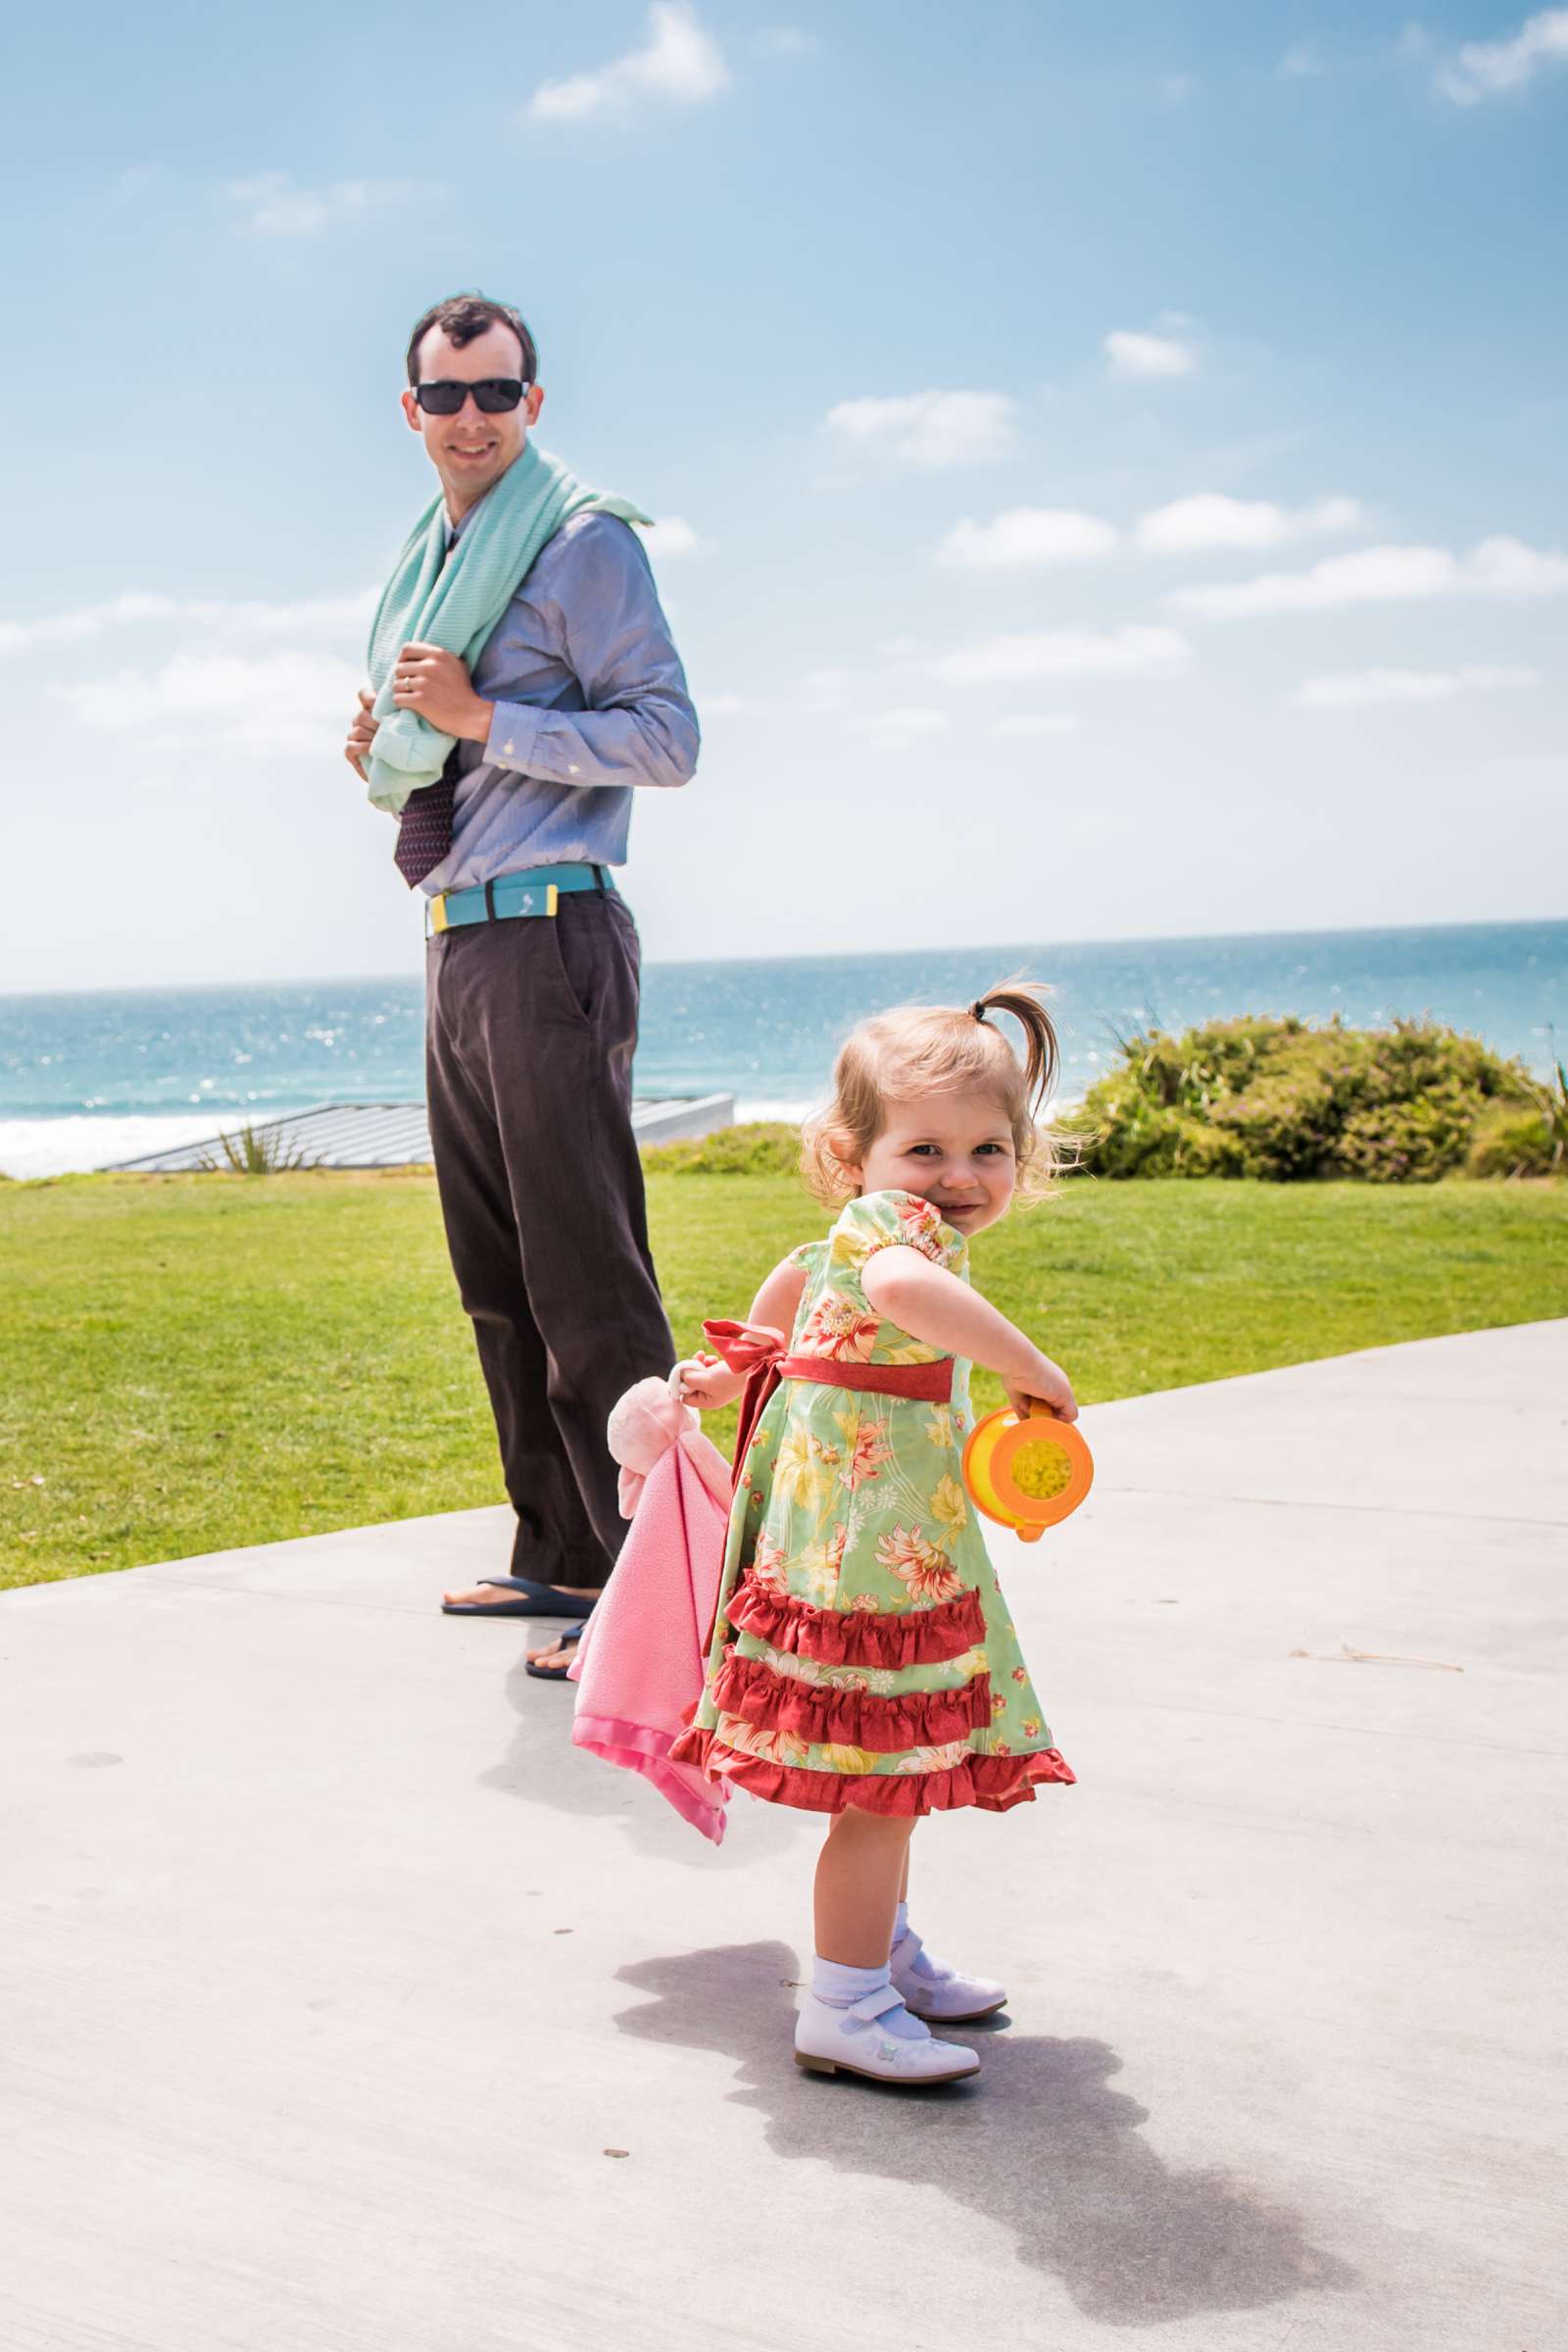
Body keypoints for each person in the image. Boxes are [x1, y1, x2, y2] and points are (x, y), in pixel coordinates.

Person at [345, 292, 698, 1677]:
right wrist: (403, 745)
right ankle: (559, 1556)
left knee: (588, 1277)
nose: (473, 418)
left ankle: (655, 1594)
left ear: (533, 405)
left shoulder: (580, 543)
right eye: (448, 397)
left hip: (551, 931)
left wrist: (482, 717)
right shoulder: (434, 567)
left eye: (498, 393)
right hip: (460, 937)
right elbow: (447, 757)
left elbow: (665, 740)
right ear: (413, 414)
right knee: (498, 1277)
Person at [667, 982, 1079, 2086]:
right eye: (926, 1150)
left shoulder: (845, 1237)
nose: (961, 1176)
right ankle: (843, 2004)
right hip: (864, 1559)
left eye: (990, 1148)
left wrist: (731, 1364)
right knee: (876, 1784)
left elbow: (790, 1295)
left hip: (867, 1543)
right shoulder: (897, 1242)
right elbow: (894, 1286)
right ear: (853, 1156)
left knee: (886, 1783)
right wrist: (1026, 1368)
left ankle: (880, 1957)